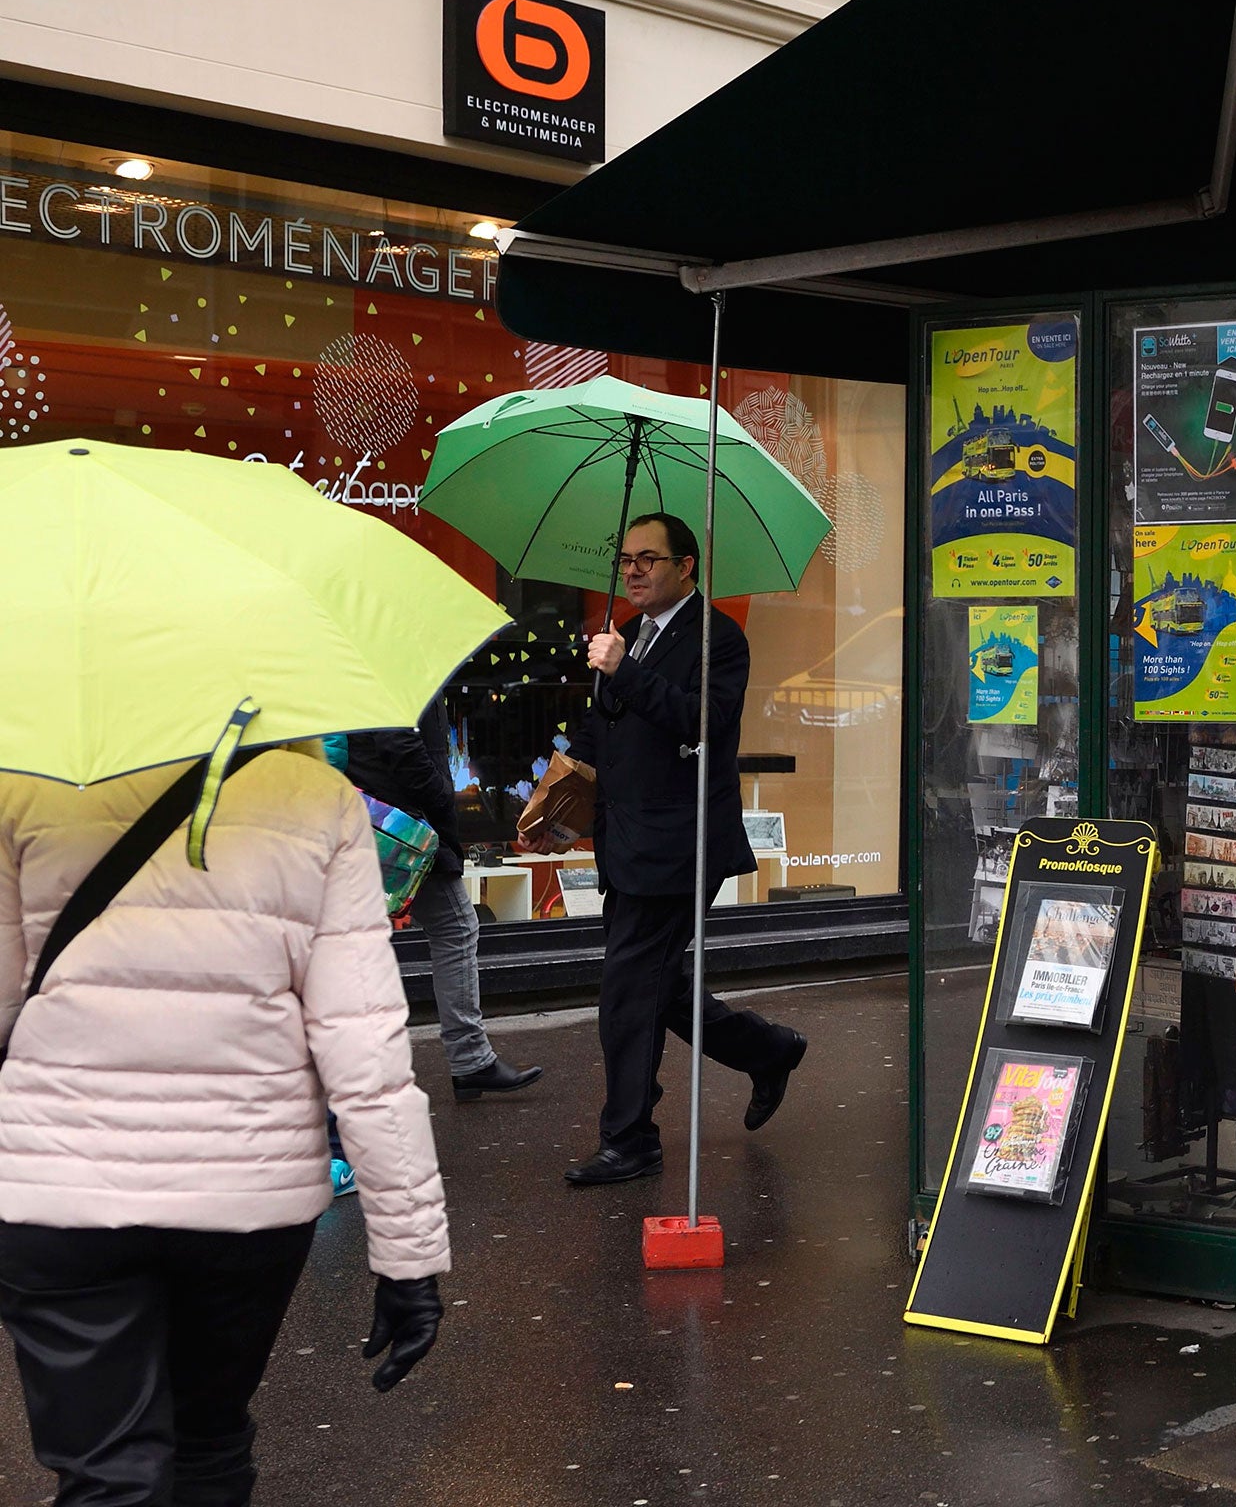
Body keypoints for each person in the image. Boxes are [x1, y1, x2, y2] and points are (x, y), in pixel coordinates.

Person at [0, 748, 448, 1503]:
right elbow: (365, 1052)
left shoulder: (24, 786)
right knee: (207, 1443)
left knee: (105, 1473)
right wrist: (408, 1255)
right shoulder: (317, 798)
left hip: (61, 1185)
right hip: (246, 1191)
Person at [536, 512, 806, 1188]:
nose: (632, 570)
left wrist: (624, 672)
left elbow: (701, 721)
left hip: (681, 844)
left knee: (629, 989)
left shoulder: (719, 638)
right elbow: (603, 739)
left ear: (686, 567)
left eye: (648, 559)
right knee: (660, 983)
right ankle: (768, 1049)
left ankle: (629, 1139)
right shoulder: (622, 636)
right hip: (625, 842)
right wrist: (556, 803)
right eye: (625, 559)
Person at [331, 701, 544, 1102]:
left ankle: (354, 1068)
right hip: (403, 827)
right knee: (456, 927)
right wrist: (442, 797)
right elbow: (399, 744)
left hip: (378, 818)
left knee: (358, 942)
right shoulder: (400, 657)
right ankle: (470, 1060)